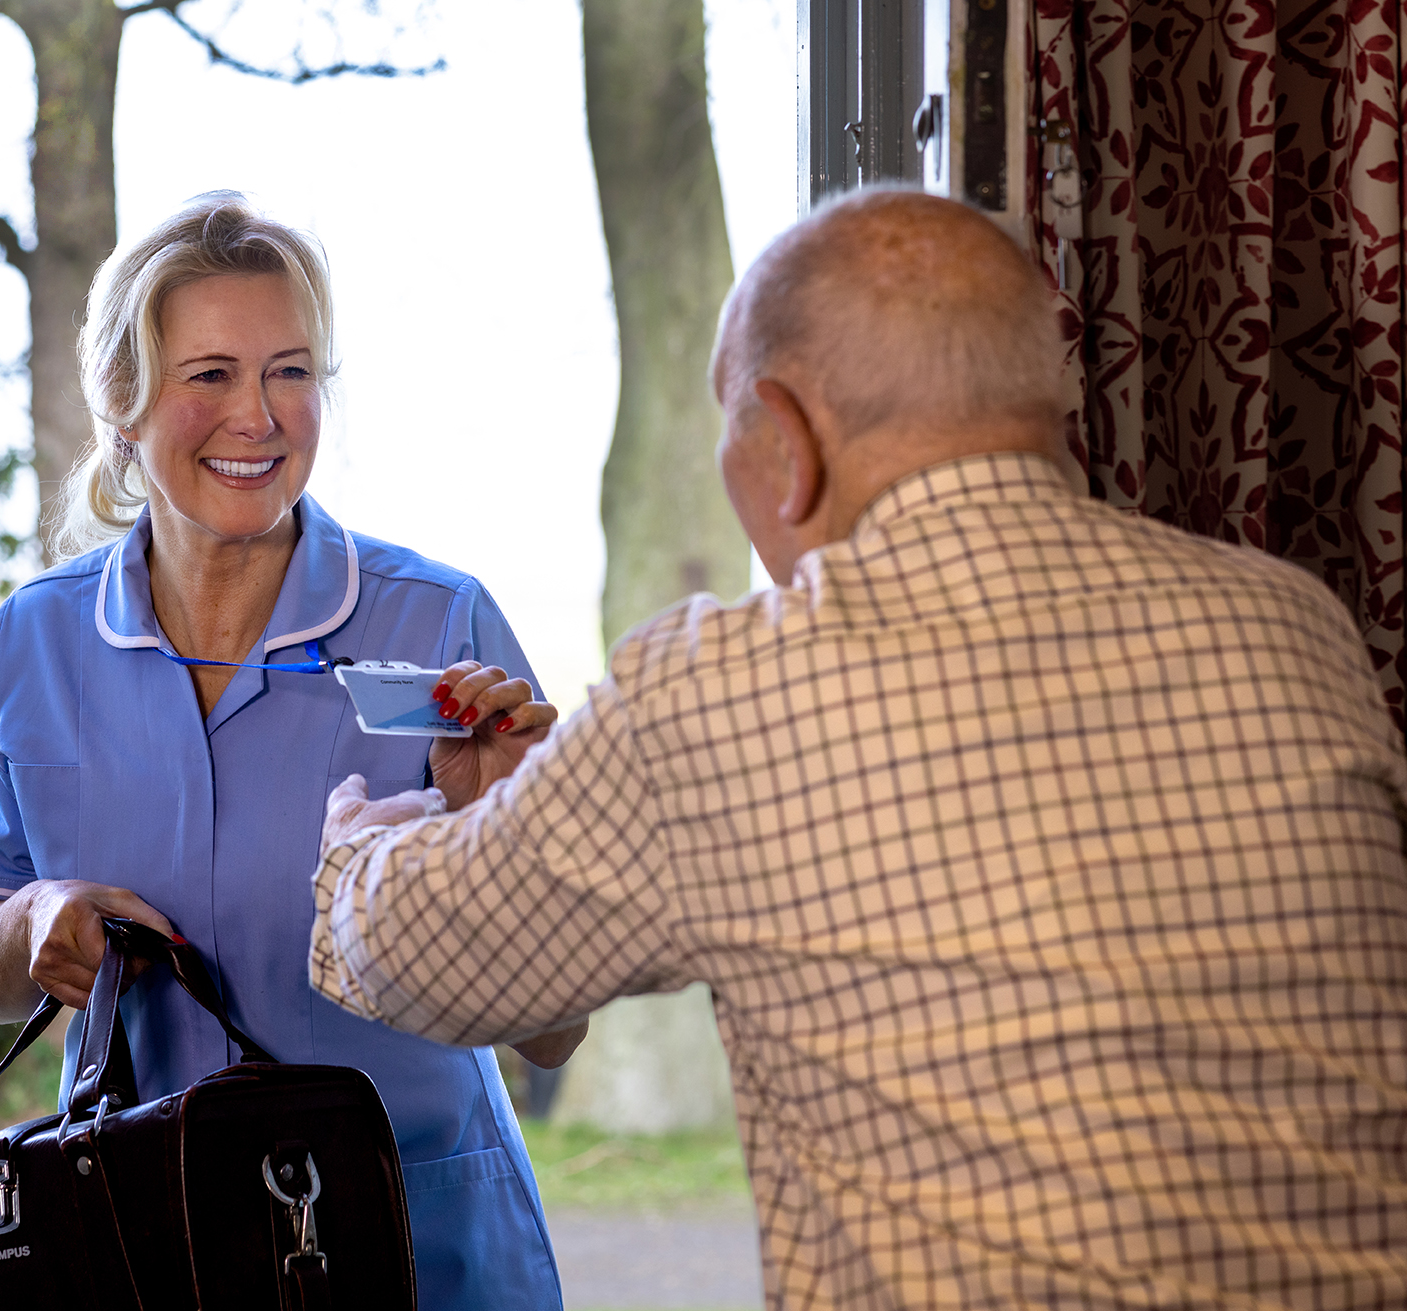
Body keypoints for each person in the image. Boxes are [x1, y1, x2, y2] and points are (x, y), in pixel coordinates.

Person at [310, 189, 1407, 1309]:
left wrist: (358, 841)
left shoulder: (725, 691)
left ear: (782, 440)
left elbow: (426, 957)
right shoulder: (1292, 625)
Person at [0, 193, 583, 1310]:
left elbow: (553, 1032)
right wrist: (32, 919)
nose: (257, 416)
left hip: (423, 1246)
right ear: (124, 402)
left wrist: (504, 837)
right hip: (143, 1243)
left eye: (290, 372)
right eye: (209, 374)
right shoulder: (36, 639)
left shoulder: (438, 627)